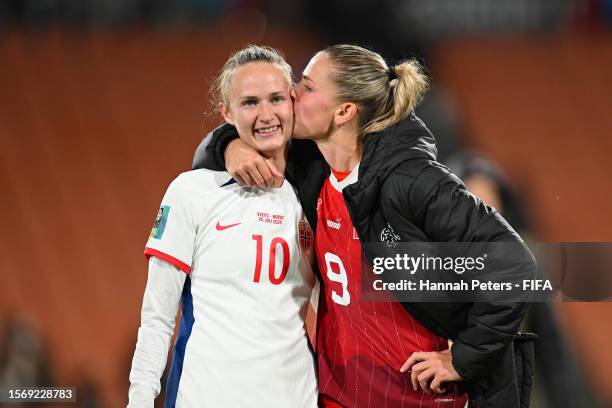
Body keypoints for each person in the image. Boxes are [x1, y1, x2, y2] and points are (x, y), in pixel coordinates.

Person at [195, 44, 536, 408]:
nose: (291, 93)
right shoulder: (314, 170)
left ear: (344, 111)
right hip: (340, 396)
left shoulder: (411, 179)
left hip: (420, 399)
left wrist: (463, 358)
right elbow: (209, 154)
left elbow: (515, 266)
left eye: (307, 87)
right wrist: (231, 145)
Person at [128, 45, 318, 408]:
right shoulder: (193, 191)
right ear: (226, 113)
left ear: (293, 102)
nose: (266, 114)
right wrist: (139, 398)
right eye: (249, 102)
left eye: (276, 98)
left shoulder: (314, 199)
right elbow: (157, 315)